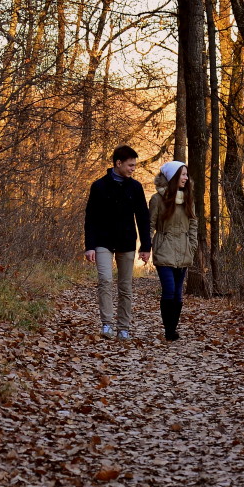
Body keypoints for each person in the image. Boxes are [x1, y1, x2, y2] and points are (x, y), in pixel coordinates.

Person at [83, 145, 152, 341]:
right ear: (118, 163)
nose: (133, 169)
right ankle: (106, 324)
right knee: (105, 280)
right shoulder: (99, 186)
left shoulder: (135, 187)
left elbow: (143, 218)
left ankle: (123, 327)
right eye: (130, 165)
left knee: (125, 286)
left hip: (127, 242)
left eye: (135, 166)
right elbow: (91, 218)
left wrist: (146, 247)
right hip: (103, 242)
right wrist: (89, 246)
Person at [149, 160, 197, 341]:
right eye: (183, 174)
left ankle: (172, 329)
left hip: (184, 249)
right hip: (164, 249)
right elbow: (150, 224)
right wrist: (148, 247)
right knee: (168, 290)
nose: (186, 178)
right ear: (173, 176)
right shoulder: (157, 199)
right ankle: (169, 330)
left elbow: (193, 223)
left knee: (178, 294)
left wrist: (192, 246)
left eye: (186, 174)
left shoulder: (188, 198)